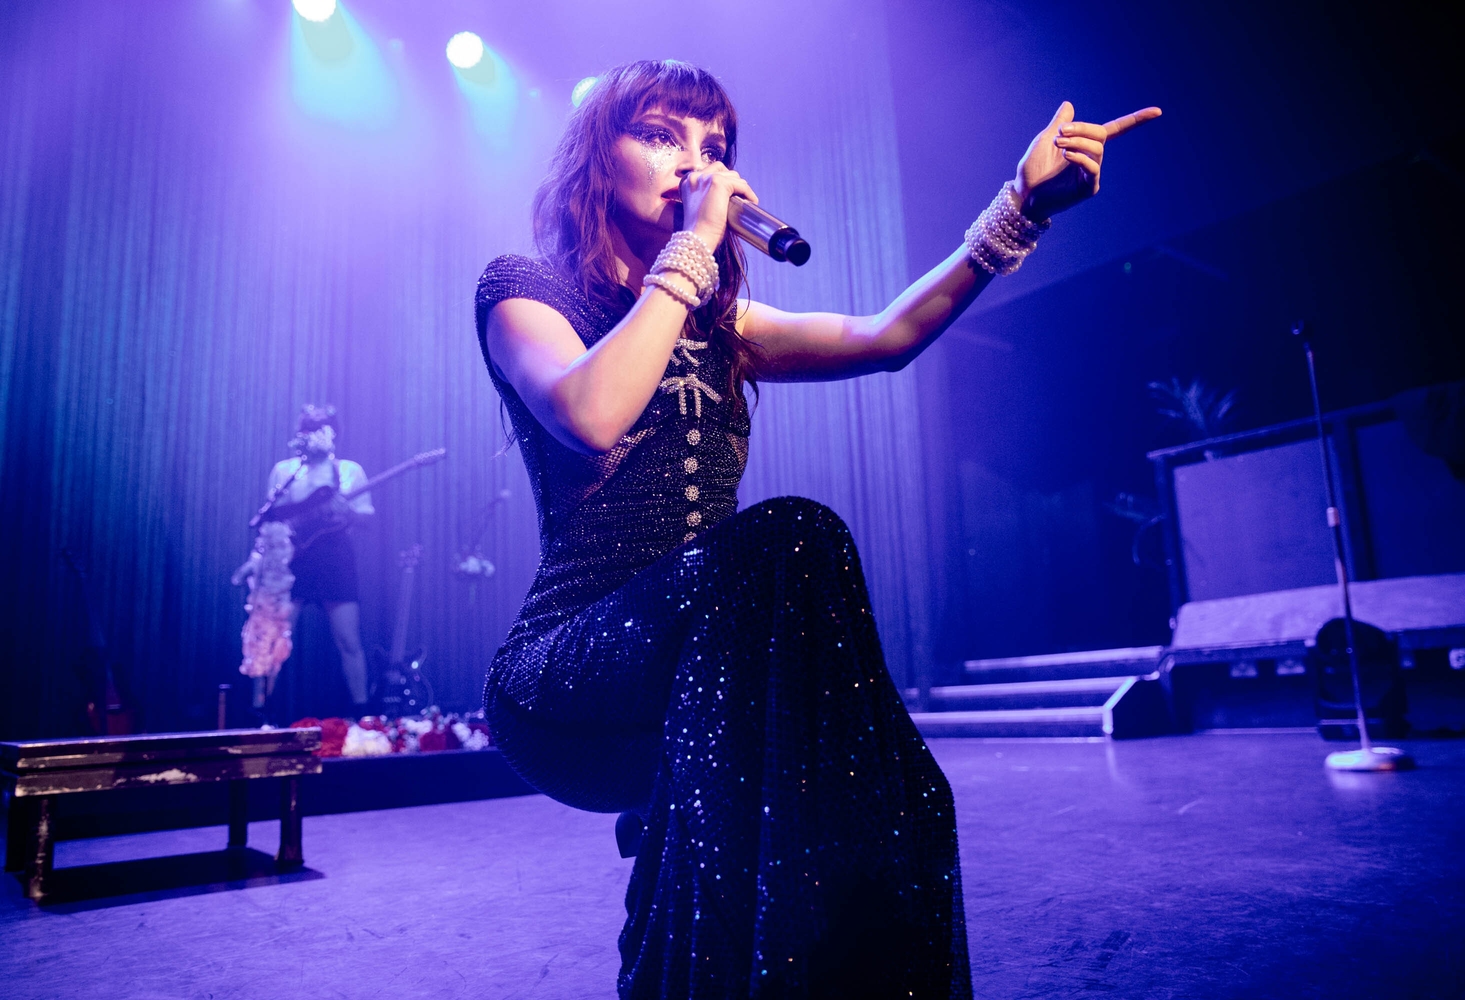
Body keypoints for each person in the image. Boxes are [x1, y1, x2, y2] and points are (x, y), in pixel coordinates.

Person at [475, 60, 1158, 999]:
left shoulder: (722, 325)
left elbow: (884, 337)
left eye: (713, 148)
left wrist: (1023, 206)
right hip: (572, 677)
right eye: (664, 137)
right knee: (794, 533)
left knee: (885, 790)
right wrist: (696, 249)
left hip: (714, 678)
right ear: (601, 153)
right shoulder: (525, 291)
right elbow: (590, 414)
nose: (694, 164)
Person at [262, 404, 375, 713]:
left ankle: (361, 712)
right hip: (292, 560)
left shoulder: (350, 471)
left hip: (335, 559)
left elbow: (367, 517)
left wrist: (347, 512)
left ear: (333, 435)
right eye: (307, 430)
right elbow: (273, 518)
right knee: (274, 640)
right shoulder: (284, 471)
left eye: (320, 430)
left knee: (348, 640)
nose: (312, 437)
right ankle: (262, 711)